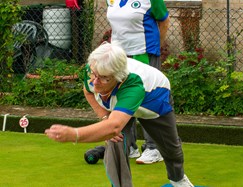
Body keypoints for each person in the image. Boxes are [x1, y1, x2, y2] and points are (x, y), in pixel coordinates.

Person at [45, 42, 194, 187]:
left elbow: (114, 126)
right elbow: (88, 91)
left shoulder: (133, 84)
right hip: (119, 102)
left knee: (171, 150)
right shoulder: (93, 69)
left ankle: (178, 179)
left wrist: (74, 134)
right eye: (94, 75)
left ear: (118, 77)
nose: (95, 82)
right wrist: (104, 117)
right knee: (114, 140)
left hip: (153, 102)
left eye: (104, 78)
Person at [106, 0, 170, 163]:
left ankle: (154, 148)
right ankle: (129, 145)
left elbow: (164, 21)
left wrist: (155, 47)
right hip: (120, 56)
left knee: (147, 99)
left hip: (144, 53)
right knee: (123, 97)